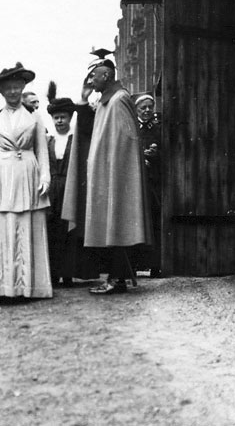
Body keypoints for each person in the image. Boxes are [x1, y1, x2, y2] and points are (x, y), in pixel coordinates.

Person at [62, 58, 152, 295]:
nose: (90, 80)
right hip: (105, 176)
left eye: (94, 76)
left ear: (106, 75)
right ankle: (115, 278)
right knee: (109, 227)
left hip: (116, 178)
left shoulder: (119, 99)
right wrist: (83, 100)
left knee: (117, 226)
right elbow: (91, 131)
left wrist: (115, 175)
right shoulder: (106, 101)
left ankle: (117, 279)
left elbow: (125, 142)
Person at [0, 62, 53, 300]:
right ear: (1, 91)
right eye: (8, 88)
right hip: (3, 175)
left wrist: (45, 176)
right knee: (4, 228)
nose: (12, 91)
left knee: (29, 227)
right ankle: (4, 288)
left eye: (16, 87)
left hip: (28, 172)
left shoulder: (34, 117)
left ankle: (31, 287)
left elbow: (42, 150)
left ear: (23, 87)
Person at [45, 82, 76, 287]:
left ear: (69, 118)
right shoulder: (48, 140)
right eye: (56, 118)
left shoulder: (75, 139)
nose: (59, 121)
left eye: (63, 117)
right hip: (52, 188)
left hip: (69, 187)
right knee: (51, 229)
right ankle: (53, 274)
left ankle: (68, 274)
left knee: (68, 230)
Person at [134, 93, 162, 277]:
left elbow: (166, 151)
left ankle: (154, 265)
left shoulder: (158, 128)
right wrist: (139, 158)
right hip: (135, 181)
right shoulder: (132, 127)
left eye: (149, 107)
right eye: (143, 108)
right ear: (136, 110)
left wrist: (155, 155)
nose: (146, 111)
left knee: (153, 221)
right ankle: (134, 265)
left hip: (152, 181)